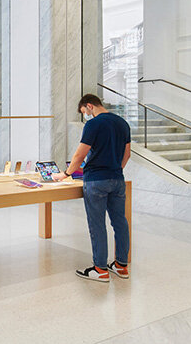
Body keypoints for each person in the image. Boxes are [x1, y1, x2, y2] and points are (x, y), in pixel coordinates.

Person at [53, 94, 131, 282]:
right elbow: (126, 155)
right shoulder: (123, 124)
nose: (85, 116)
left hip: (96, 180)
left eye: (84, 112)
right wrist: (114, 171)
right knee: (120, 222)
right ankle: (121, 266)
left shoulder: (93, 124)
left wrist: (66, 174)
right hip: (117, 179)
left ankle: (100, 269)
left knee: (97, 225)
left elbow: (80, 154)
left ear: (89, 106)